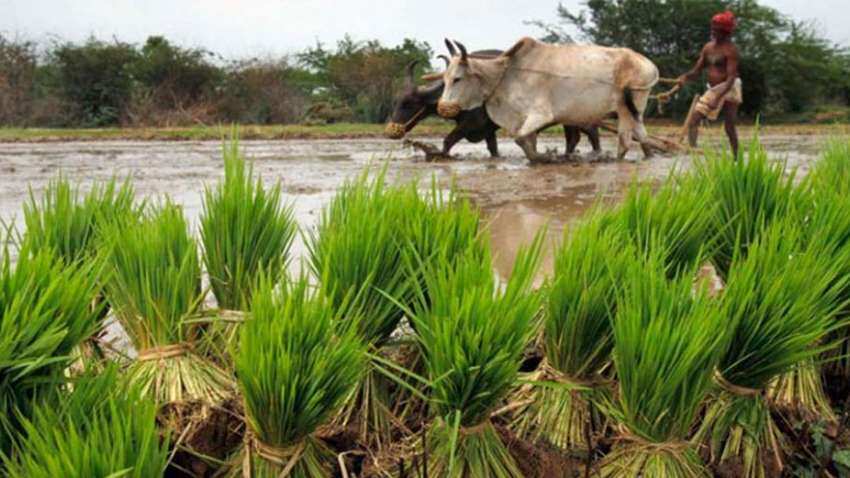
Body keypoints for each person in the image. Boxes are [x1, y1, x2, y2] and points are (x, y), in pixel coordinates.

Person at [677, 11, 742, 158]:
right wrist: (685, 78)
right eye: (712, 29)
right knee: (694, 120)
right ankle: (694, 155)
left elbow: (731, 78)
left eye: (716, 30)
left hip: (730, 88)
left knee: (729, 126)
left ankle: (737, 159)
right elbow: (697, 70)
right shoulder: (708, 48)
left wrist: (717, 97)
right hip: (713, 89)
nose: (713, 32)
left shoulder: (731, 50)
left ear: (725, 33)